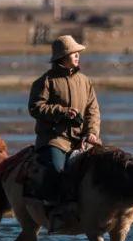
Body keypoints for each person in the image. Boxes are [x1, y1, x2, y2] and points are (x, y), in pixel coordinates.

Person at [27, 35, 101, 227]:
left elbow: (93, 110)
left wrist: (92, 132)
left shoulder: (85, 81)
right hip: (54, 139)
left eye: (78, 53)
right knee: (57, 170)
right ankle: (55, 211)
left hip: (81, 139)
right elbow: (35, 107)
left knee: (108, 165)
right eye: (73, 53)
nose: (77, 56)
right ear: (63, 56)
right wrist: (62, 112)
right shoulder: (45, 82)